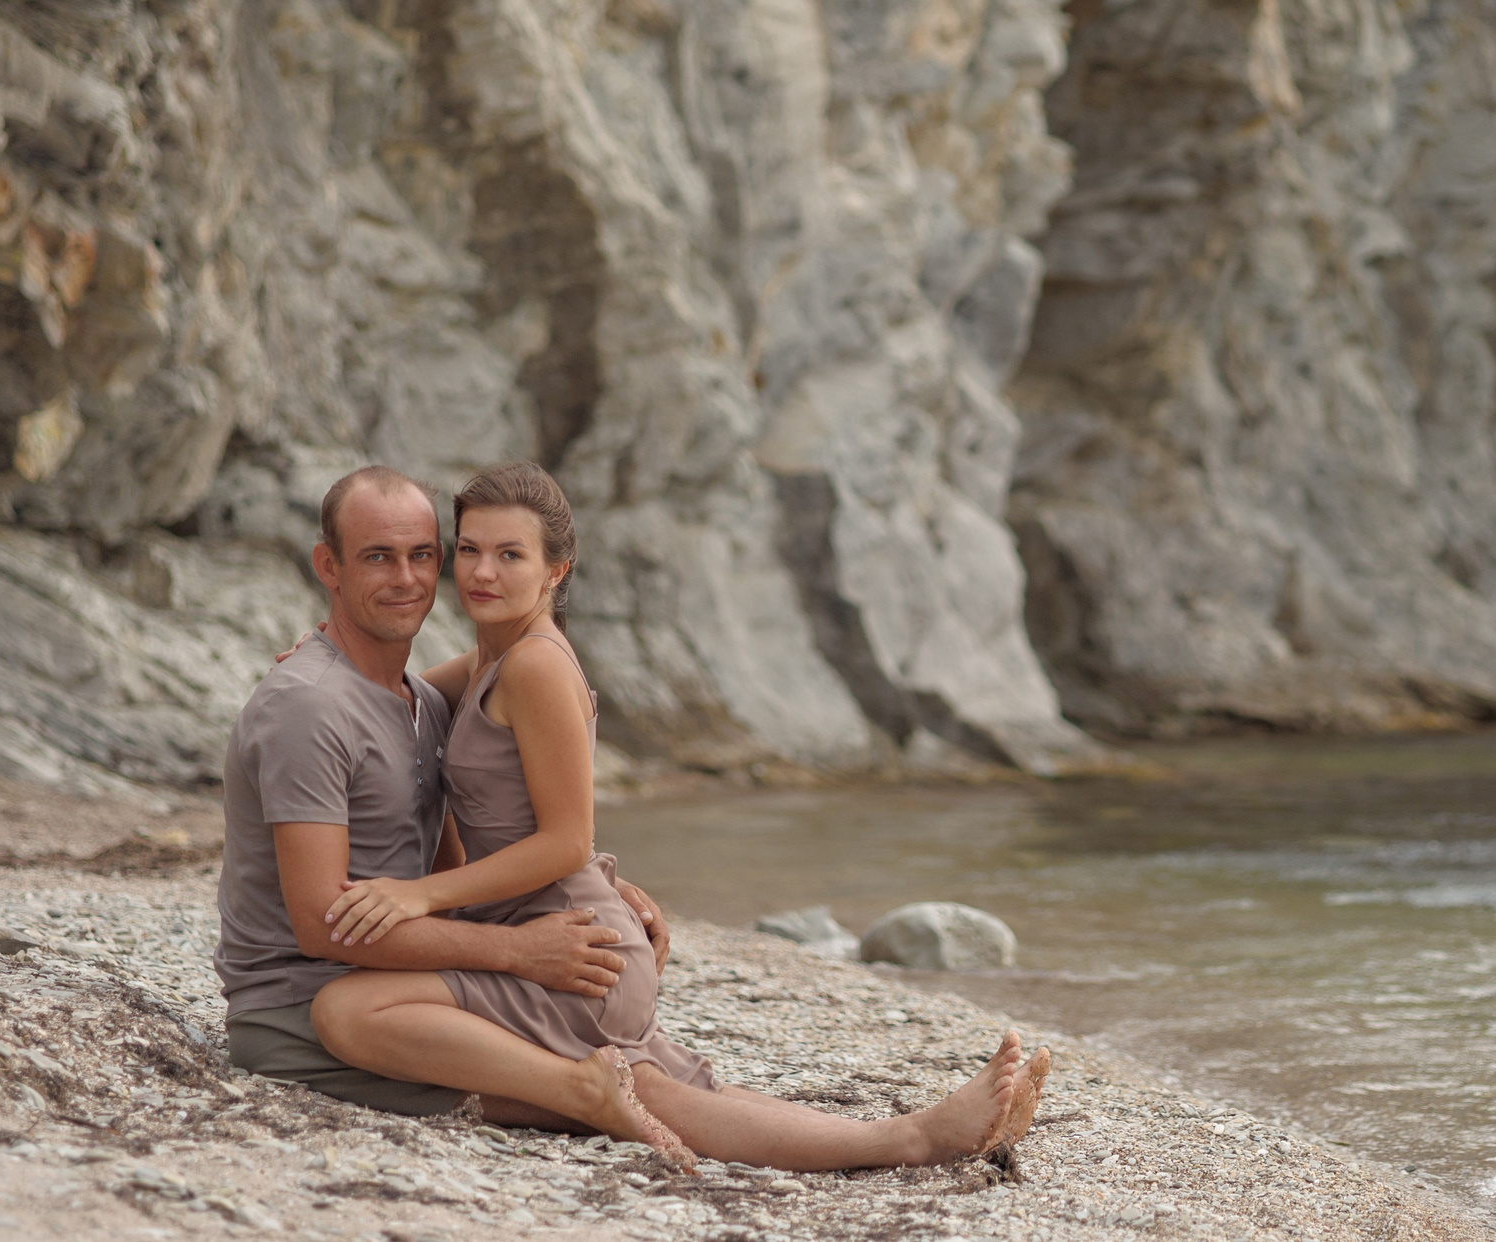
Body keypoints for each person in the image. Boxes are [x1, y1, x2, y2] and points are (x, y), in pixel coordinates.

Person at [306, 460, 1050, 1171]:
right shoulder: (490, 660)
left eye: (510, 554)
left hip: (568, 947)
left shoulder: (534, 664)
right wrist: (323, 654)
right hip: (557, 933)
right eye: (468, 549)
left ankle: (917, 1138)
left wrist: (420, 893)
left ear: (556, 570)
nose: (482, 572)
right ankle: (919, 1134)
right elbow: (399, 696)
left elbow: (567, 840)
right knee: (679, 1097)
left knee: (356, 1012)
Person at [216, 465, 681, 1145]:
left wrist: (602, 891)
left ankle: (889, 1142)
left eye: (422, 555)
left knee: (649, 1083)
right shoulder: (309, 705)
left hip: (404, 979)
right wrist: (517, 951)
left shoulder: (424, 699)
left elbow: (542, 817)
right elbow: (321, 928)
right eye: (377, 557)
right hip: (306, 1006)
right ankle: (578, 1091)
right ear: (329, 566)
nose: (406, 579)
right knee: (631, 1090)